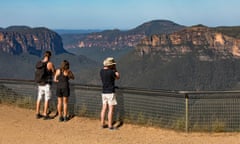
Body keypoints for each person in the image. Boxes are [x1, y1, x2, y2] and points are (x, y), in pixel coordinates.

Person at [100, 57, 120, 130]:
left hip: (104, 92)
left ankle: (102, 124)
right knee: (111, 109)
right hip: (110, 92)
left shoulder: (101, 71)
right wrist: (115, 69)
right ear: (111, 65)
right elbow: (118, 77)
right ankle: (110, 125)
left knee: (104, 108)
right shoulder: (111, 72)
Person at [35, 51, 55, 120]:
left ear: (44, 56)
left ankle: (37, 113)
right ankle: (45, 114)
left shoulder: (40, 63)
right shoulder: (49, 64)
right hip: (46, 84)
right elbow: (53, 72)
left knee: (39, 98)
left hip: (40, 84)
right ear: (50, 56)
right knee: (47, 99)